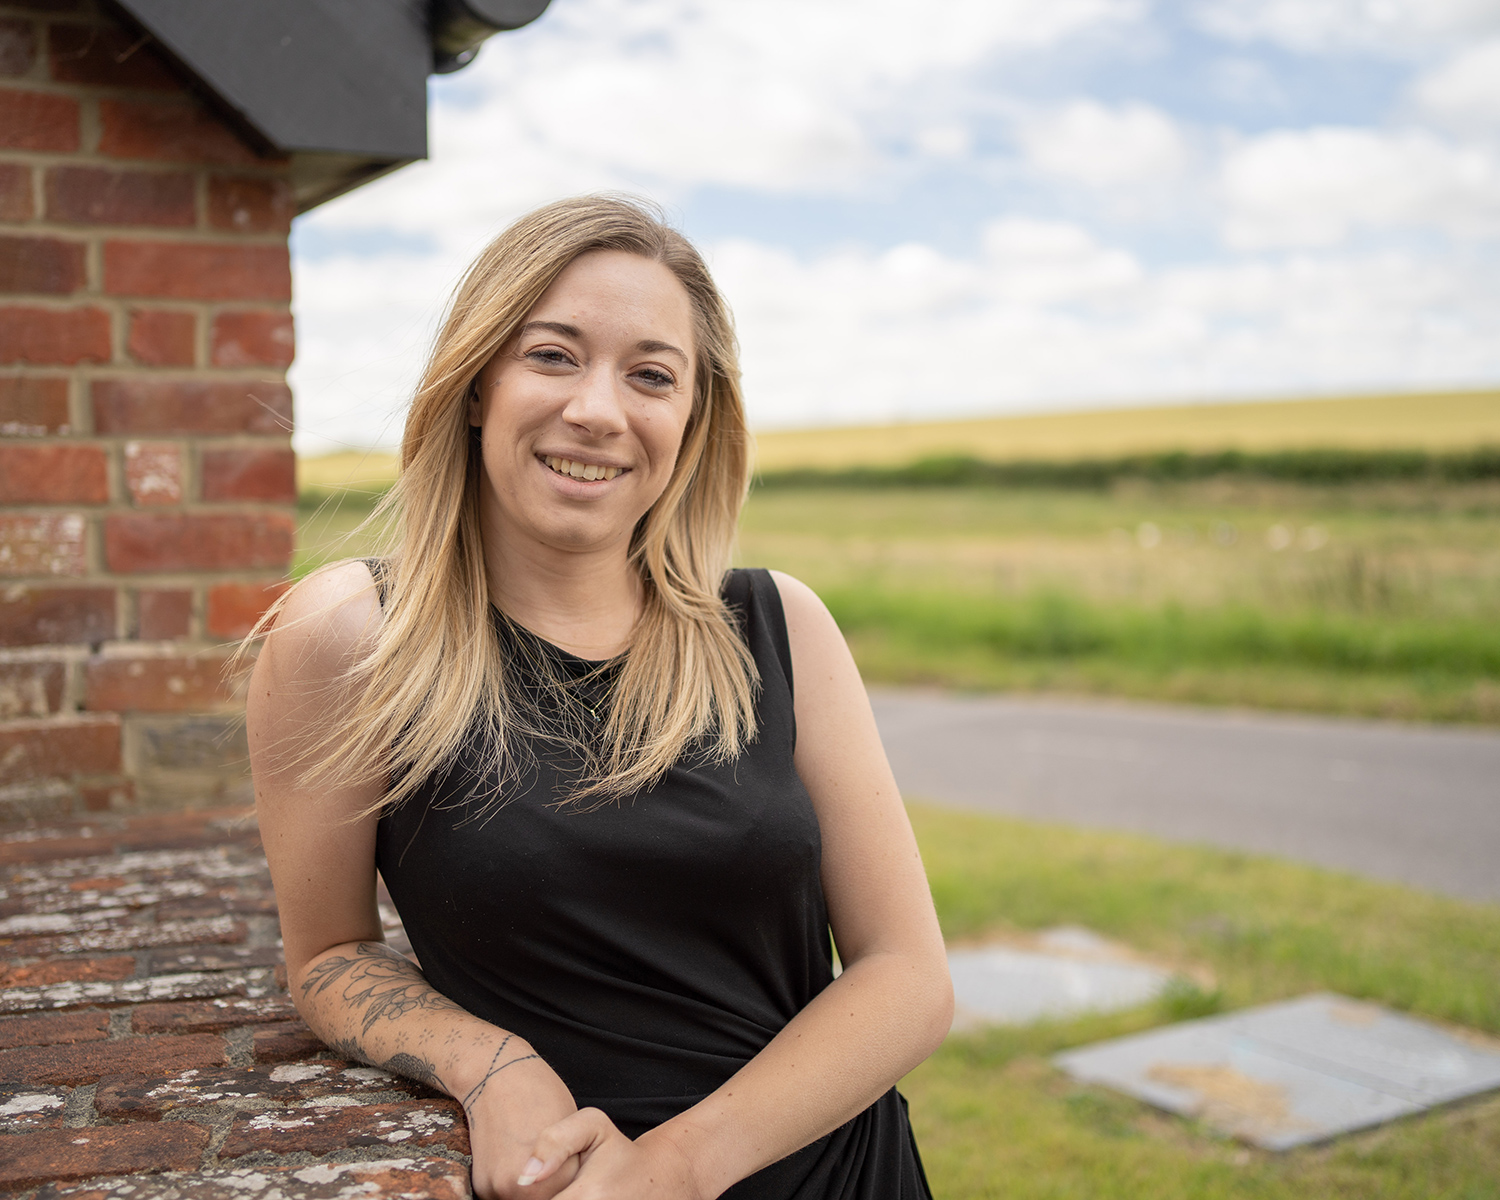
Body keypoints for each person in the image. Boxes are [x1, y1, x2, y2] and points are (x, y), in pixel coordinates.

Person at [247, 195, 953, 1200]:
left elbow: (908, 979)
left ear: (693, 419)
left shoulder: (778, 628)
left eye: (652, 376)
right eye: (552, 355)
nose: (598, 410)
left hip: (843, 1174)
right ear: (479, 381)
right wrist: (495, 1067)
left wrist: (672, 1168)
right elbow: (327, 956)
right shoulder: (352, 638)